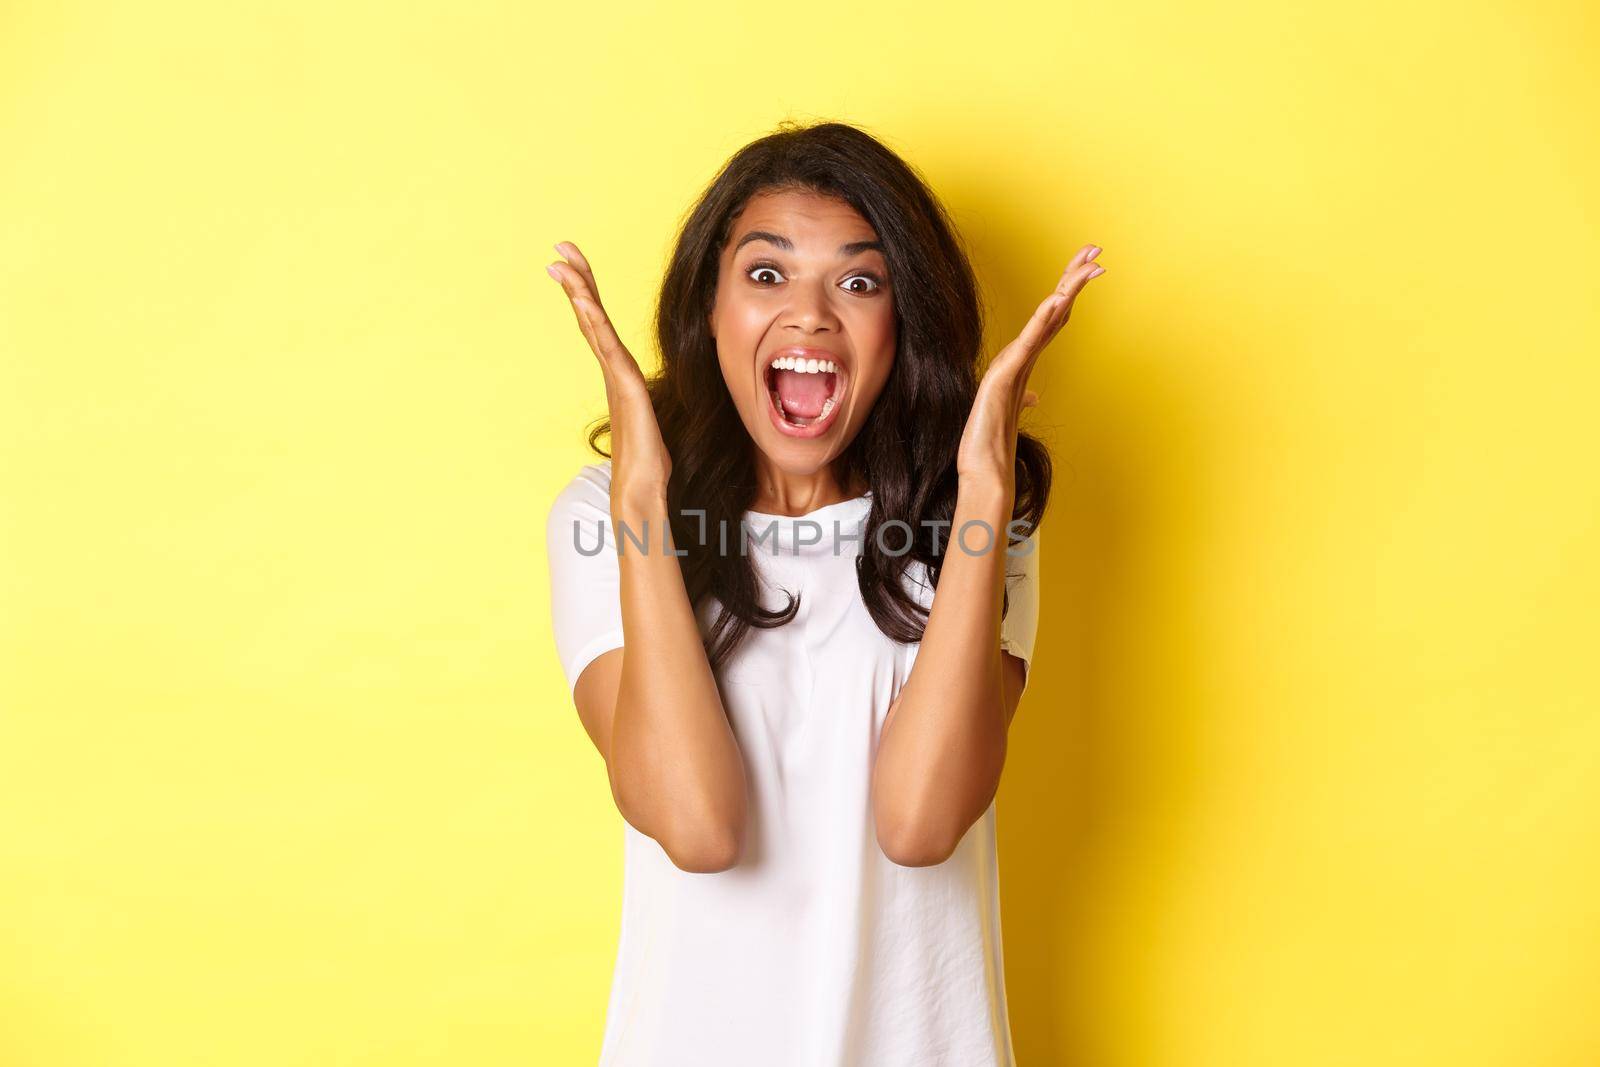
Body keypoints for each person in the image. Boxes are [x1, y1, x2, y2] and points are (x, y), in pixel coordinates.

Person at [543, 119, 1106, 1067]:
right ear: (709, 310)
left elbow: (921, 822)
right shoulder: (608, 513)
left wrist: (981, 499)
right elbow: (697, 823)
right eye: (767, 274)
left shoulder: (976, 513)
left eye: (858, 281)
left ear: (904, 322)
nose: (808, 315)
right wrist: (644, 496)